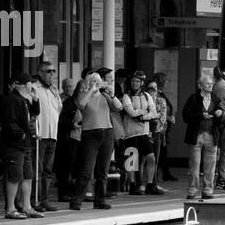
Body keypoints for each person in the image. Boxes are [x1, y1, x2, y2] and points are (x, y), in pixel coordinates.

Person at [70, 67, 122, 210]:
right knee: (86, 170)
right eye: (92, 81)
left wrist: (112, 95)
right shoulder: (83, 94)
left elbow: (119, 107)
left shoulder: (105, 95)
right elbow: (80, 104)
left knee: (102, 171)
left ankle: (100, 200)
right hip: (90, 134)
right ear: (87, 82)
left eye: (97, 81)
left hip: (107, 133)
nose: (95, 83)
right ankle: (76, 200)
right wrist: (90, 90)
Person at [0, 73, 40, 219]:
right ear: (24, 84)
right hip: (15, 144)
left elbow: (36, 113)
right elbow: (9, 121)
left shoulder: (25, 100)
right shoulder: (12, 100)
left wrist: (35, 99)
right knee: (14, 176)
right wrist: (20, 134)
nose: (32, 86)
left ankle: (27, 206)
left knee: (28, 175)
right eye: (30, 84)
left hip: (26, 144)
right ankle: (10, 208)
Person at [182, 73, 225, 200]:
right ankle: (192, 190)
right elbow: (186, 116)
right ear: (200, 85)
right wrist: (201, 116)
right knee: (194, 164)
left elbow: (224, 118)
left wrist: (221, 114)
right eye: (208, 84)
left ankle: (208, 190)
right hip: (196, 135)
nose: (211, 86)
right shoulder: (193, 99)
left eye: (211, 84)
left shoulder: (216, 99)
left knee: (211, 165)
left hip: (211, 135)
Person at [120, 70, 163, 195]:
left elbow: (154, 113)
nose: (135, 84)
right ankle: (133, 185)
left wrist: (143, 116)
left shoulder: (146, 96)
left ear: (142, 83)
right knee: (131, 159)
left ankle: (149, 184)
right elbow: (131, 113)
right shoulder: (126, 96)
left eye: (137, 81)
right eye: (133, 81)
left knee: (151, 157)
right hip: (130, 132)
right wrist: (144, 112)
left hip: (144, 132)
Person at [31, 64, 61, 213]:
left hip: (52, 134)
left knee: (48, 170)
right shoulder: (34, 88)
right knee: (38, 169)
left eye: (53, 71)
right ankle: (33, 199)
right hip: (40, 134)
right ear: (41, 73)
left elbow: (58, 110)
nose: (52, 74)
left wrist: (56, 95)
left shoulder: (53, 90)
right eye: (48, 71)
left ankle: (45, 200)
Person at [55, 77, 80, 201]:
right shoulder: (63, 100)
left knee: (72, 165)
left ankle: (71, 191)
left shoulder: (76, 101)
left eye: (71, 86)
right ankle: (63, 192)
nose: (70, 89)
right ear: (63, 87)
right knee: (64, 166)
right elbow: (59, 117)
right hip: (64, 137)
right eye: (67, 86)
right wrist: (72, 125)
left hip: (75, 138)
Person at [151, 73, 177, 181]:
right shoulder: (157, 95)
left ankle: (165, 173)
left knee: (163, 151)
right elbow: (158, 110)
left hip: (164, 127)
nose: (167, 83)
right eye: (165, 81)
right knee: (159, 151)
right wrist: (168, 117)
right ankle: (155, 175)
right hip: (159, 127)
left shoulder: (162, 94)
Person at [213, 70, 225, 188]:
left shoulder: (213, 88)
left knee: (213, 151)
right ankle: (222, 180)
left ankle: (211, 178)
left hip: (214, 123)